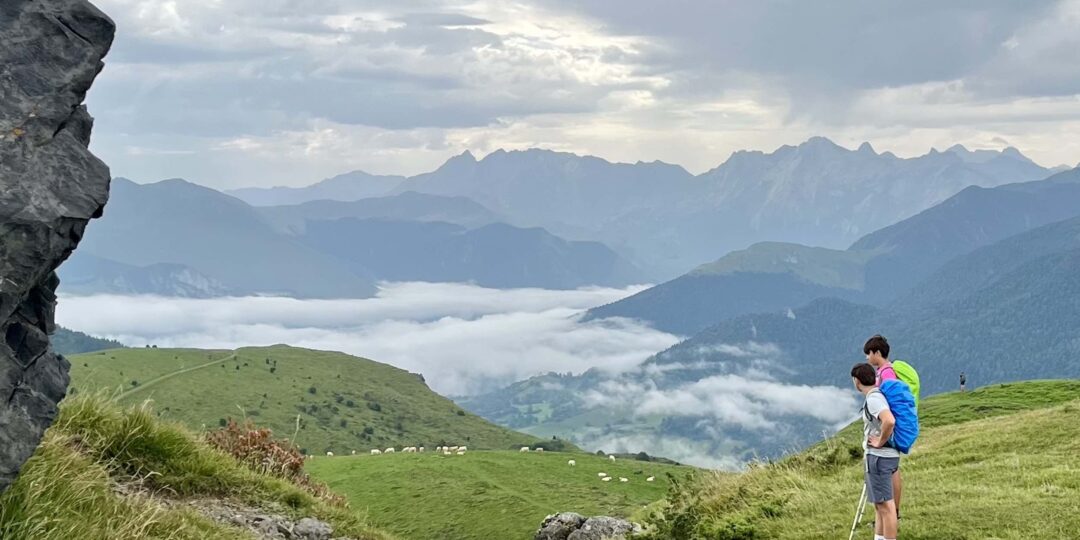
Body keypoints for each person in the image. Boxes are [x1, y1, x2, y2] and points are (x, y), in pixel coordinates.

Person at [852, 362, 900, 540]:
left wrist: (880, 442)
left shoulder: (873, 399)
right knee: (880, 505)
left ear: (857, 381)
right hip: (888, 456)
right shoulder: (878, 395)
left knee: (886, 507)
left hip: (879, 458)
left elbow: (889, 420)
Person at [864, 335, 902, 520]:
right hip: (890, 427)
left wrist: (881, 437)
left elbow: (888, 407)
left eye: (869, 353)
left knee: (891, 469)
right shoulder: (885, 371)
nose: (867, 357)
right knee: (893, 468)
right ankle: (892, 512)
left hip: (887, 429)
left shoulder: (886, 373)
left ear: (877, 353)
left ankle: (891, 512)